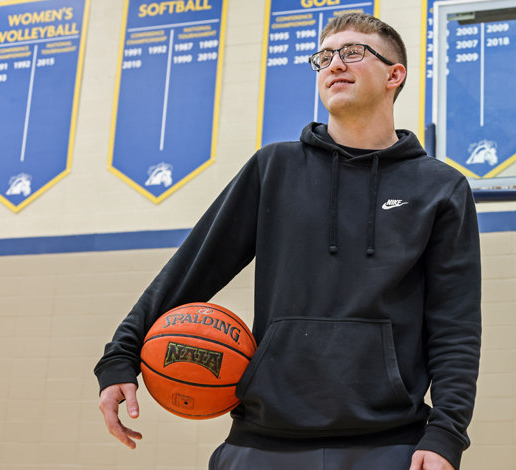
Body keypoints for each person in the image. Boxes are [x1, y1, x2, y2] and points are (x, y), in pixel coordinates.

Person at [95, 13, 481, 470]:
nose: (334, 63)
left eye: (353, 52)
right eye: (325, 56)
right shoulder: (273, 169)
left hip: (391, 444)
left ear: (394, 75)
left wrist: (447, 434)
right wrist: (121, 355)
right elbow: (192, 267)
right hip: (261, 442)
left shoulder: (439, 188)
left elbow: (454, 325)